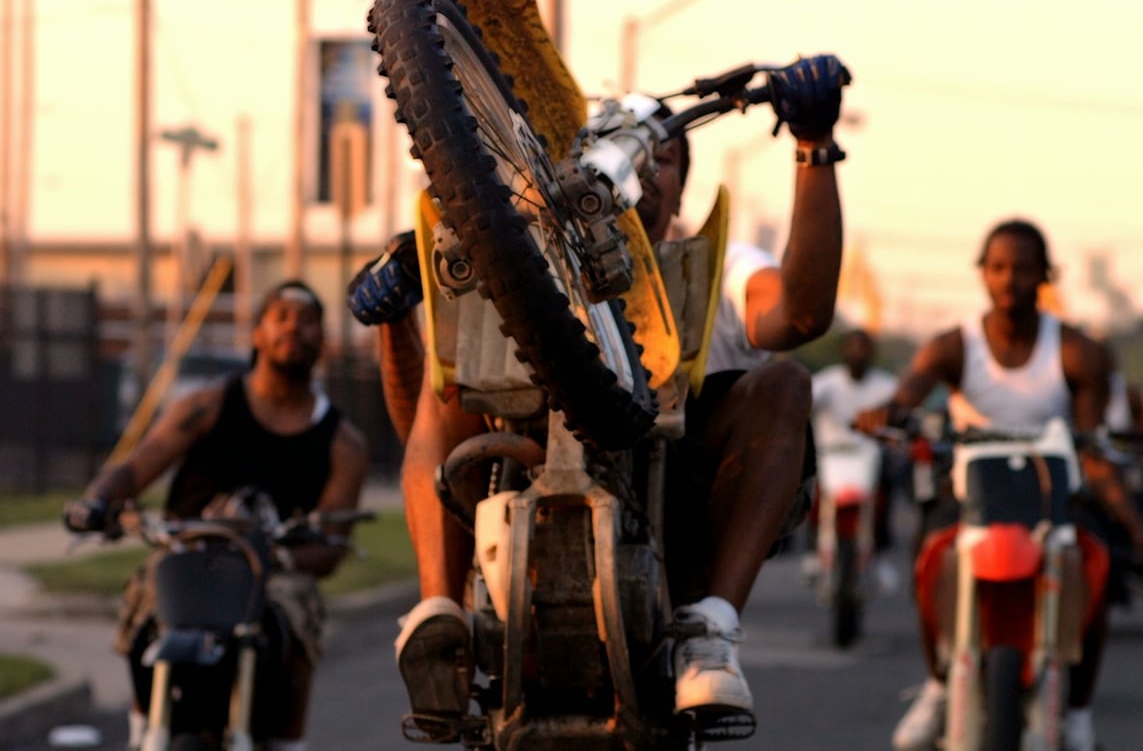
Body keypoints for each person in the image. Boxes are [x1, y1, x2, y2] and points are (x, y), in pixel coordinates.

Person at [348, 54, 850, 731]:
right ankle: (440, 625)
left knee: (786, 381)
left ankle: (710, 629)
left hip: (682, 509)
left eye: (662, 157)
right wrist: (395, 321)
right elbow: (425, 424)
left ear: (682, 189)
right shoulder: (512, 269)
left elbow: (799, 316)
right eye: (607, 148)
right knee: (459, 371)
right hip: (517, 486)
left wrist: (814, 149)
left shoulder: (724, 267)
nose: (638, 166)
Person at [854, 219, 1143, 751]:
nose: (1010, 279)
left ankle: (1078, 712)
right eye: (998, 267)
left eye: (1023, 268)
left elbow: (1095, 456)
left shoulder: (1076, 351)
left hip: (1053, 500)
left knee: (1097, 565)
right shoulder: (953, 347)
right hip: (971, 496)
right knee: (931, 559)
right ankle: (938, 686)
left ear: (1047, 275)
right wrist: (886, 413)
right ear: (982, 272)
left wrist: (1139, 527)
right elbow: (906, 398)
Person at [62, 280, 371, 751]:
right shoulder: (206, 405)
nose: (293, 328)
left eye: (307, 321)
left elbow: (330, 543)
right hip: (188, 556)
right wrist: (97, 502)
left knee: (295, 616)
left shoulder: (344, 442)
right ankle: (145, 728)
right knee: (148, 609)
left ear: (322, 340)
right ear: (257, 333)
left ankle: (288, 742)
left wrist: (288, 553)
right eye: (281, 316)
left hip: (273, 571)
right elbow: (139, 466)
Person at [806, 328, 901, 593]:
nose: (858, 353)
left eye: (864, 347)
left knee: (884, 495)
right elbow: (806, 401)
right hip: (830, 454)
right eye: (853, 346)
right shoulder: (827, 382)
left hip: (868, 454)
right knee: (814, 496)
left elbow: (901, 411)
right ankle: (813, 551)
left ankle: (879, 553)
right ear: (843, 351)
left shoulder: (886, 385)